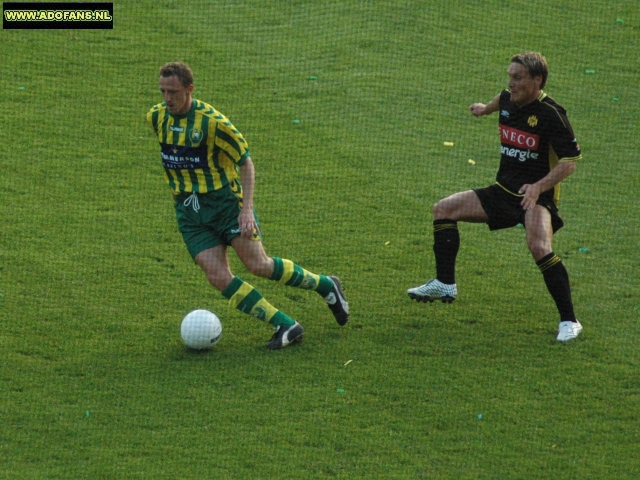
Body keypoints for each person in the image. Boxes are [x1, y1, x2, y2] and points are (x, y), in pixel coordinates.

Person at [146, 62, 349, 349]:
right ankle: (285, 324)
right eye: (163, 91)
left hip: (226, 205)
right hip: (190, 212)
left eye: (174, 92)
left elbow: (246, 163)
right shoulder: (156, 118)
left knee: (258, 265)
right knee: (216, 275)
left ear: (189, 89)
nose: (167, 98)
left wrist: (246, 210)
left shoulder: (213, 122)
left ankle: (327, 285)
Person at [408, 52, 583, 342]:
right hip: (501, 192)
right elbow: (497, 103)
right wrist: (482, 109)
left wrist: (538, 187)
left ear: (537, 80)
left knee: (539, 246)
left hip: (536, 198)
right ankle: (444, 283)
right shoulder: (506, 99)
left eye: (518, 77)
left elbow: (570, 161)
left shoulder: (551, 115)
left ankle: (569, 321)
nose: (511, 83)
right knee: (443, 209)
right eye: (509, 76)